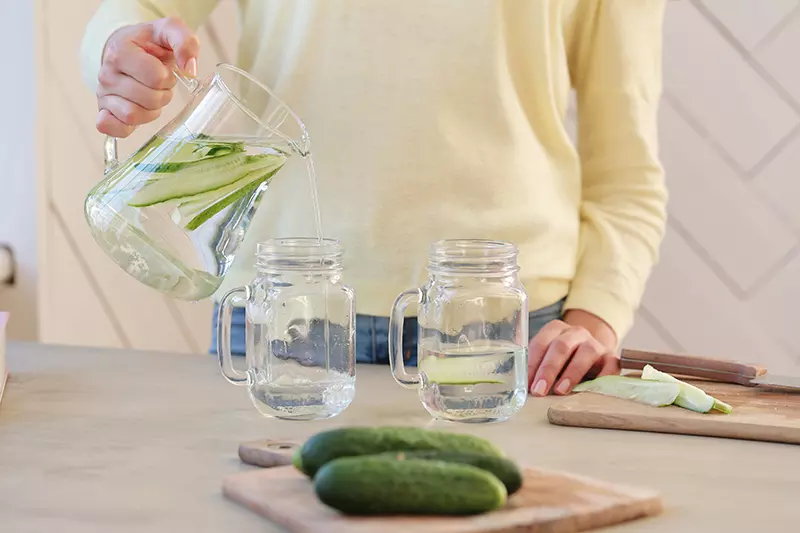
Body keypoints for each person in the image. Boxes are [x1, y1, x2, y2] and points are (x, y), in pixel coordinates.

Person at [81, 1, 668, 397]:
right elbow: (139, 12)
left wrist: (595, 322)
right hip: (278, 311)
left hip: (503, 330)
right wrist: (118, 56)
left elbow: (627, 171)